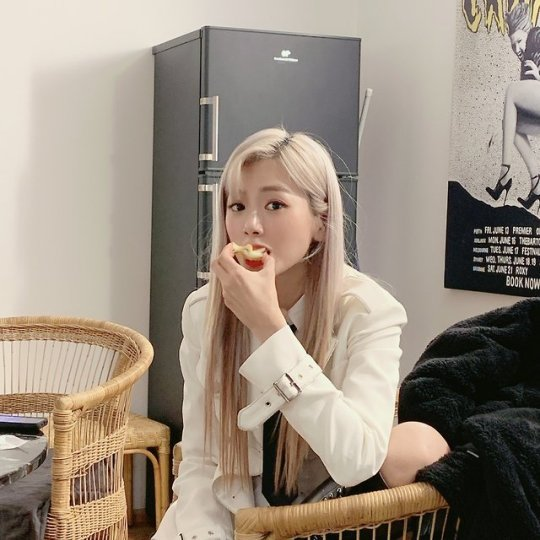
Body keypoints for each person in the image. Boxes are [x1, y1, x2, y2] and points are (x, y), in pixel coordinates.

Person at [153, 127, 409, 540]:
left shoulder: (369, 312)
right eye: (237, 206)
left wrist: (270, 329)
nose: (251, 225)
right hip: (223, 520)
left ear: (321, 222)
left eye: (274, 205)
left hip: (322, 524)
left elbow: (357, 459)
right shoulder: (203, 312)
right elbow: (200, 460)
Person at [486, 3, 540, 210]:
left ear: (528, 33)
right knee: (510, 124)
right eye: (512, 45)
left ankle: (504, 172)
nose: (517, 49)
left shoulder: (536, 35)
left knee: (511, 90)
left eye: (519, 41)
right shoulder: (526, 59)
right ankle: (537, 182)